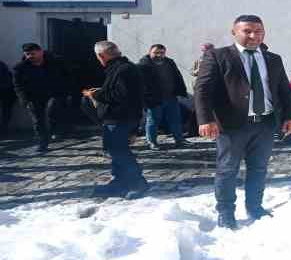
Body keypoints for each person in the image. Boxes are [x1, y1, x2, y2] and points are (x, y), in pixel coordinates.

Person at [195, 14, 291, 229]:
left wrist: (290, 116)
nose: (253, 35)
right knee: (227, 169)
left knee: (259, 168)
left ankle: (255, 206)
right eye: (247, 31)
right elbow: (202, 90)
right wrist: (205, 119)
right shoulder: (218, 56)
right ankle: (225, 212)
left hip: (265, 123)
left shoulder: (273, 59)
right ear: (234, 32)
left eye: (258, 31)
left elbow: (284, 90)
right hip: (232, 125)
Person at [83, 41, 148, 198]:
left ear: (101, 55)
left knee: (121, 153)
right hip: (116, 118)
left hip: (121, 118)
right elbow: (117, 90)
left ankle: (138, 184)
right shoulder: (119, 67)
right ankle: (118, 182)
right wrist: (101, 91)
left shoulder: (124, 69)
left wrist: (96, 95)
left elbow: (122, 95)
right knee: (115, 153)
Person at [13, 43, 72, 152]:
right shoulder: (20, 68)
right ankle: (42, 142)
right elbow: (18, 85)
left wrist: (68, 92)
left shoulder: (56, 62)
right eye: (27, 54)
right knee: (37, 119)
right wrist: (24, 99)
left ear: (40, 52)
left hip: (55, 93)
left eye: (33, 53)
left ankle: (54, 130)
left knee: (52, 109)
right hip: (34, 96)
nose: (30, 56)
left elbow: (68, 77)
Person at [139, 44, 193, 150]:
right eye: (156, 52)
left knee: (176, 120)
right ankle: (152, 142)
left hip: (171, 97)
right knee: (153, 121)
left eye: (162, 53)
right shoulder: (143, 65)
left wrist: (181, 90)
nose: (159, 55)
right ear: (150, 52)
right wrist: (145, 98)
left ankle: (179, 140)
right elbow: (140, 84)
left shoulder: (169, 62)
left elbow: (177, 76)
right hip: (154, 99)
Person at [0, 60, 16, 136]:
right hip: (8, 90)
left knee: (6, 111)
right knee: (6, 111)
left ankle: (3, 130)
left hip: (7, 90)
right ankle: (4, 129)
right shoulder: (2, 65)